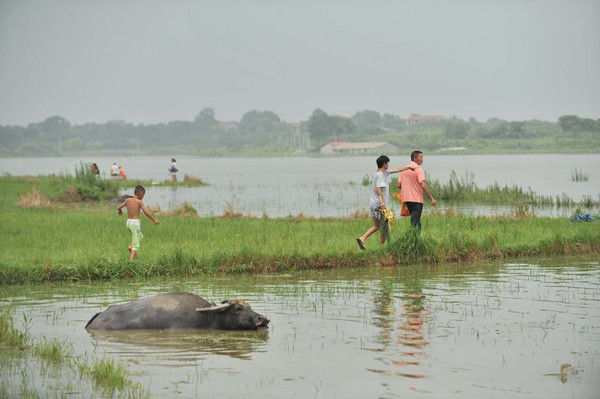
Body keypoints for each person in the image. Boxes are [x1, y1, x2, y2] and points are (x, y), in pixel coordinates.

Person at [356, 155, 415, 250]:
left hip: (373, 204)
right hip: (379, 205)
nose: (389, 164)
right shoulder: (380, 175)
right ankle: (382, 248)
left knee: (377, 226)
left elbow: (396, 170)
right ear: (385, 163)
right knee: (384, 226)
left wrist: (408, 167)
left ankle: (362, 238)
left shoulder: (382, 173)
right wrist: (383, 202)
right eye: (388, 162)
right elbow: (378, 188)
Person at [117, 185, 159, 260]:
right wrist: (154, 219)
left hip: (128, 223)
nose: (143, 197)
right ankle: (131, 261)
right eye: (143, 195)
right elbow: (146, 212)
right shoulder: (139, 202)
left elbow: (119, 207)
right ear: (141, 194)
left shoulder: (128, 200)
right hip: (135, 224)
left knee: (140, 236)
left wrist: (120, 211)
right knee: (136, 243)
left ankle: (131, 248)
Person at [397, 150, 437, 229]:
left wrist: (408, 186)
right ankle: (411, 239)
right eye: (421, 157)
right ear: (415, 158)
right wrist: (432, 199)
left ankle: (416, 240)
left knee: (416, 222)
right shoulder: (418, 169)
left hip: (407, 199)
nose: (422, 159)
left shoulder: (404, 169)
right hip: (416, 200)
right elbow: (423, 185)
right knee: (414, 223)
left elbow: (398, 185)